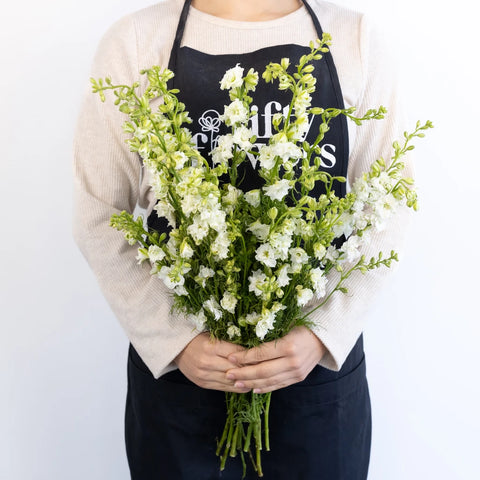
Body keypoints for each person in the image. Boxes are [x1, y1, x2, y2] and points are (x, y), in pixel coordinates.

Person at [73, 0, 411, 478]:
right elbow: (97, 211)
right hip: (181, 383)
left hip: (315, 382)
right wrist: (176, 339)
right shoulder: (135, 43)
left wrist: (322, 333)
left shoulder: (356, 41)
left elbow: (390, 204)